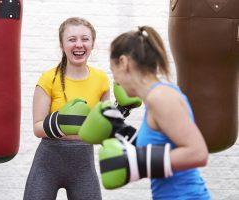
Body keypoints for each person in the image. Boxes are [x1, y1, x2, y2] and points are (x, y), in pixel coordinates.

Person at [81, 26, 211, 199]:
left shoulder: (161, 97)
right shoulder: (155, 98)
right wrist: (121, 132)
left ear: (124, 63)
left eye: (114, 72)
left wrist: (138, 162)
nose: (116, 80)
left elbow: (198, 153)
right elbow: (161, 149)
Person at [23, 17, 110, 200]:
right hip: (48, 163)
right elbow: (37, 127)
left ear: (92, 43)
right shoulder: (48, 79)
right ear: (62, 45)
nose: (79, 44)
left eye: (85, 39)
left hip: (83, 165)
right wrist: (61, 122)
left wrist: (121, 111)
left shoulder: (101, 80)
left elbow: (104, 128)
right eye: (72, 39)